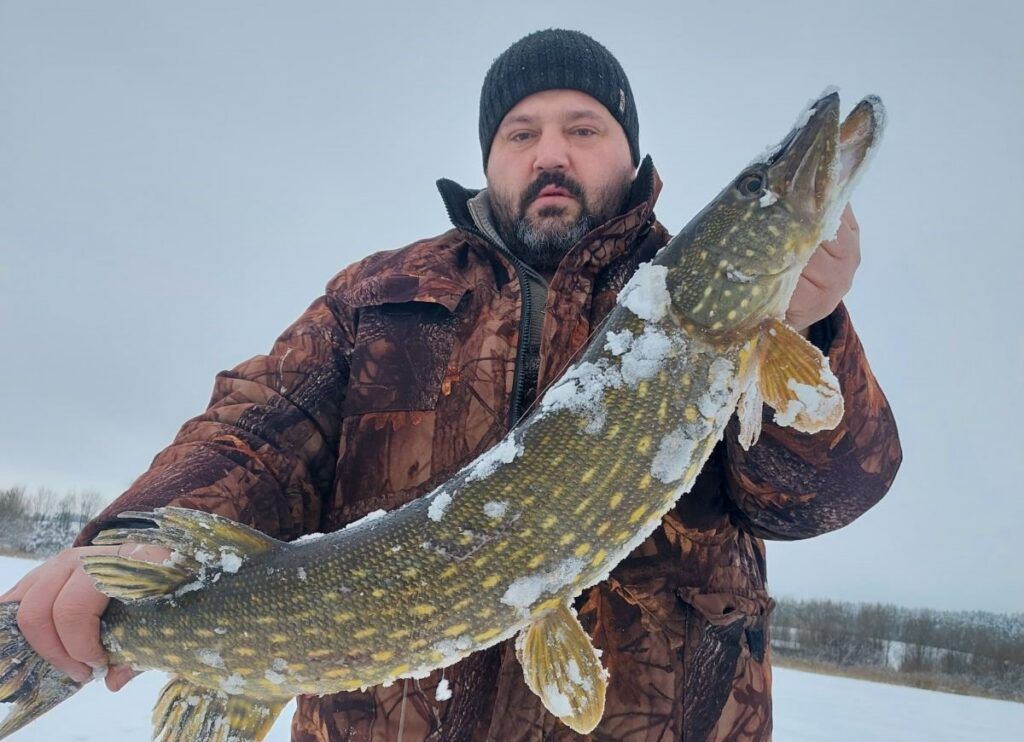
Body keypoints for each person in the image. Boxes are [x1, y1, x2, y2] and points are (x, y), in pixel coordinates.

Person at [1, 29, 901, 741]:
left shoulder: (718, 317)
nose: (551, 151)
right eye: (521, 132)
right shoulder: (380, 297)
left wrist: (812, 324)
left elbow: (822, 497)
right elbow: (251, 432)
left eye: (583, 129)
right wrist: (137, 538)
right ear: (491, 158)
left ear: (631, 154)